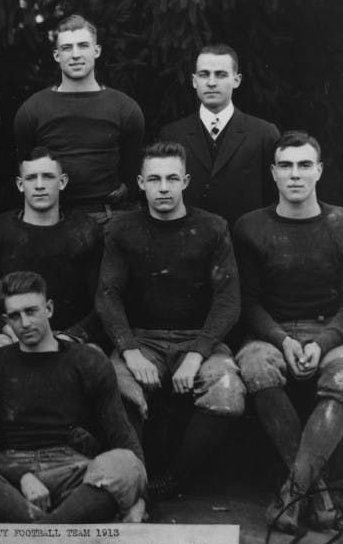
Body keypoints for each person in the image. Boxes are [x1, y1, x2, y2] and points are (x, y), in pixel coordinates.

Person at [234, 131, 343, 533]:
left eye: (304, 165)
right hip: (271, 331)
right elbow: (249, 303)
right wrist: (284, 340)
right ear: (274, 173)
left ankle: (294, 493)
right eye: (287, 166)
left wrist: (324, 341)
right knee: (257, 369)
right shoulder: (250, 228)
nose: (296, 175)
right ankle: (319, 490)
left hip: (332, 331)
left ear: (319, 171)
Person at [96, 141, 245, 499]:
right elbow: (108, 294)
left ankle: (175, 478)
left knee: (228, 393)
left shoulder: (212, 227)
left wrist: (197, 354)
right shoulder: (121, 229)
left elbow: (229, 300)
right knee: (119, 388)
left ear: (185, 181)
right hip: (142, 338)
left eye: (172, 178)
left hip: (199, 339)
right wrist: (129, 351)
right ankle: (136, 480)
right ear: (141, 182)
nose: (163, 188)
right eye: (155, 179)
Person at [0, 271, 146, 523]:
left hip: (73, 470)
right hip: (12, 472)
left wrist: (141, 496)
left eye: (31, 311)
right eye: (15, 316)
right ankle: (62, 524)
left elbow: (122, 436)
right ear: (6, 319)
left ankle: (39, 525)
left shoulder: (87, 360)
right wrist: (23, 477)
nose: (24, 323)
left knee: (125, 464)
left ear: (48, 308)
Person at [13, 15, 144, 225]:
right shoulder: (32, 110)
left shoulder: (125, 108)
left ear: (97, 51)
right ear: (56, 55)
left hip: (111, 218)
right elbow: (24, 169)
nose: (75, 55)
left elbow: (132, 171)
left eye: (83, 46)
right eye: (67, 48)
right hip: (54, 219)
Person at [0, 146, 103, 353]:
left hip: (69, 336)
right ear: (20, 184)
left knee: (95, 359)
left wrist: (71, 336)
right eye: (31, 178)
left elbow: (102, 302)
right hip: (15, 334)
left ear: (62, 182)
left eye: (47, 177)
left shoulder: (85, 230)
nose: (39, 185)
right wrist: (7, 329)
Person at [159, 44, 281, 227]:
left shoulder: (264, 134)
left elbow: (274, 199)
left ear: (237, 80)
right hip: (189, 242)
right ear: (194, 81)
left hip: (245, 244)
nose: (211, 82)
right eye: (204, 74)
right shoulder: (172, 134)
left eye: (221, 75)